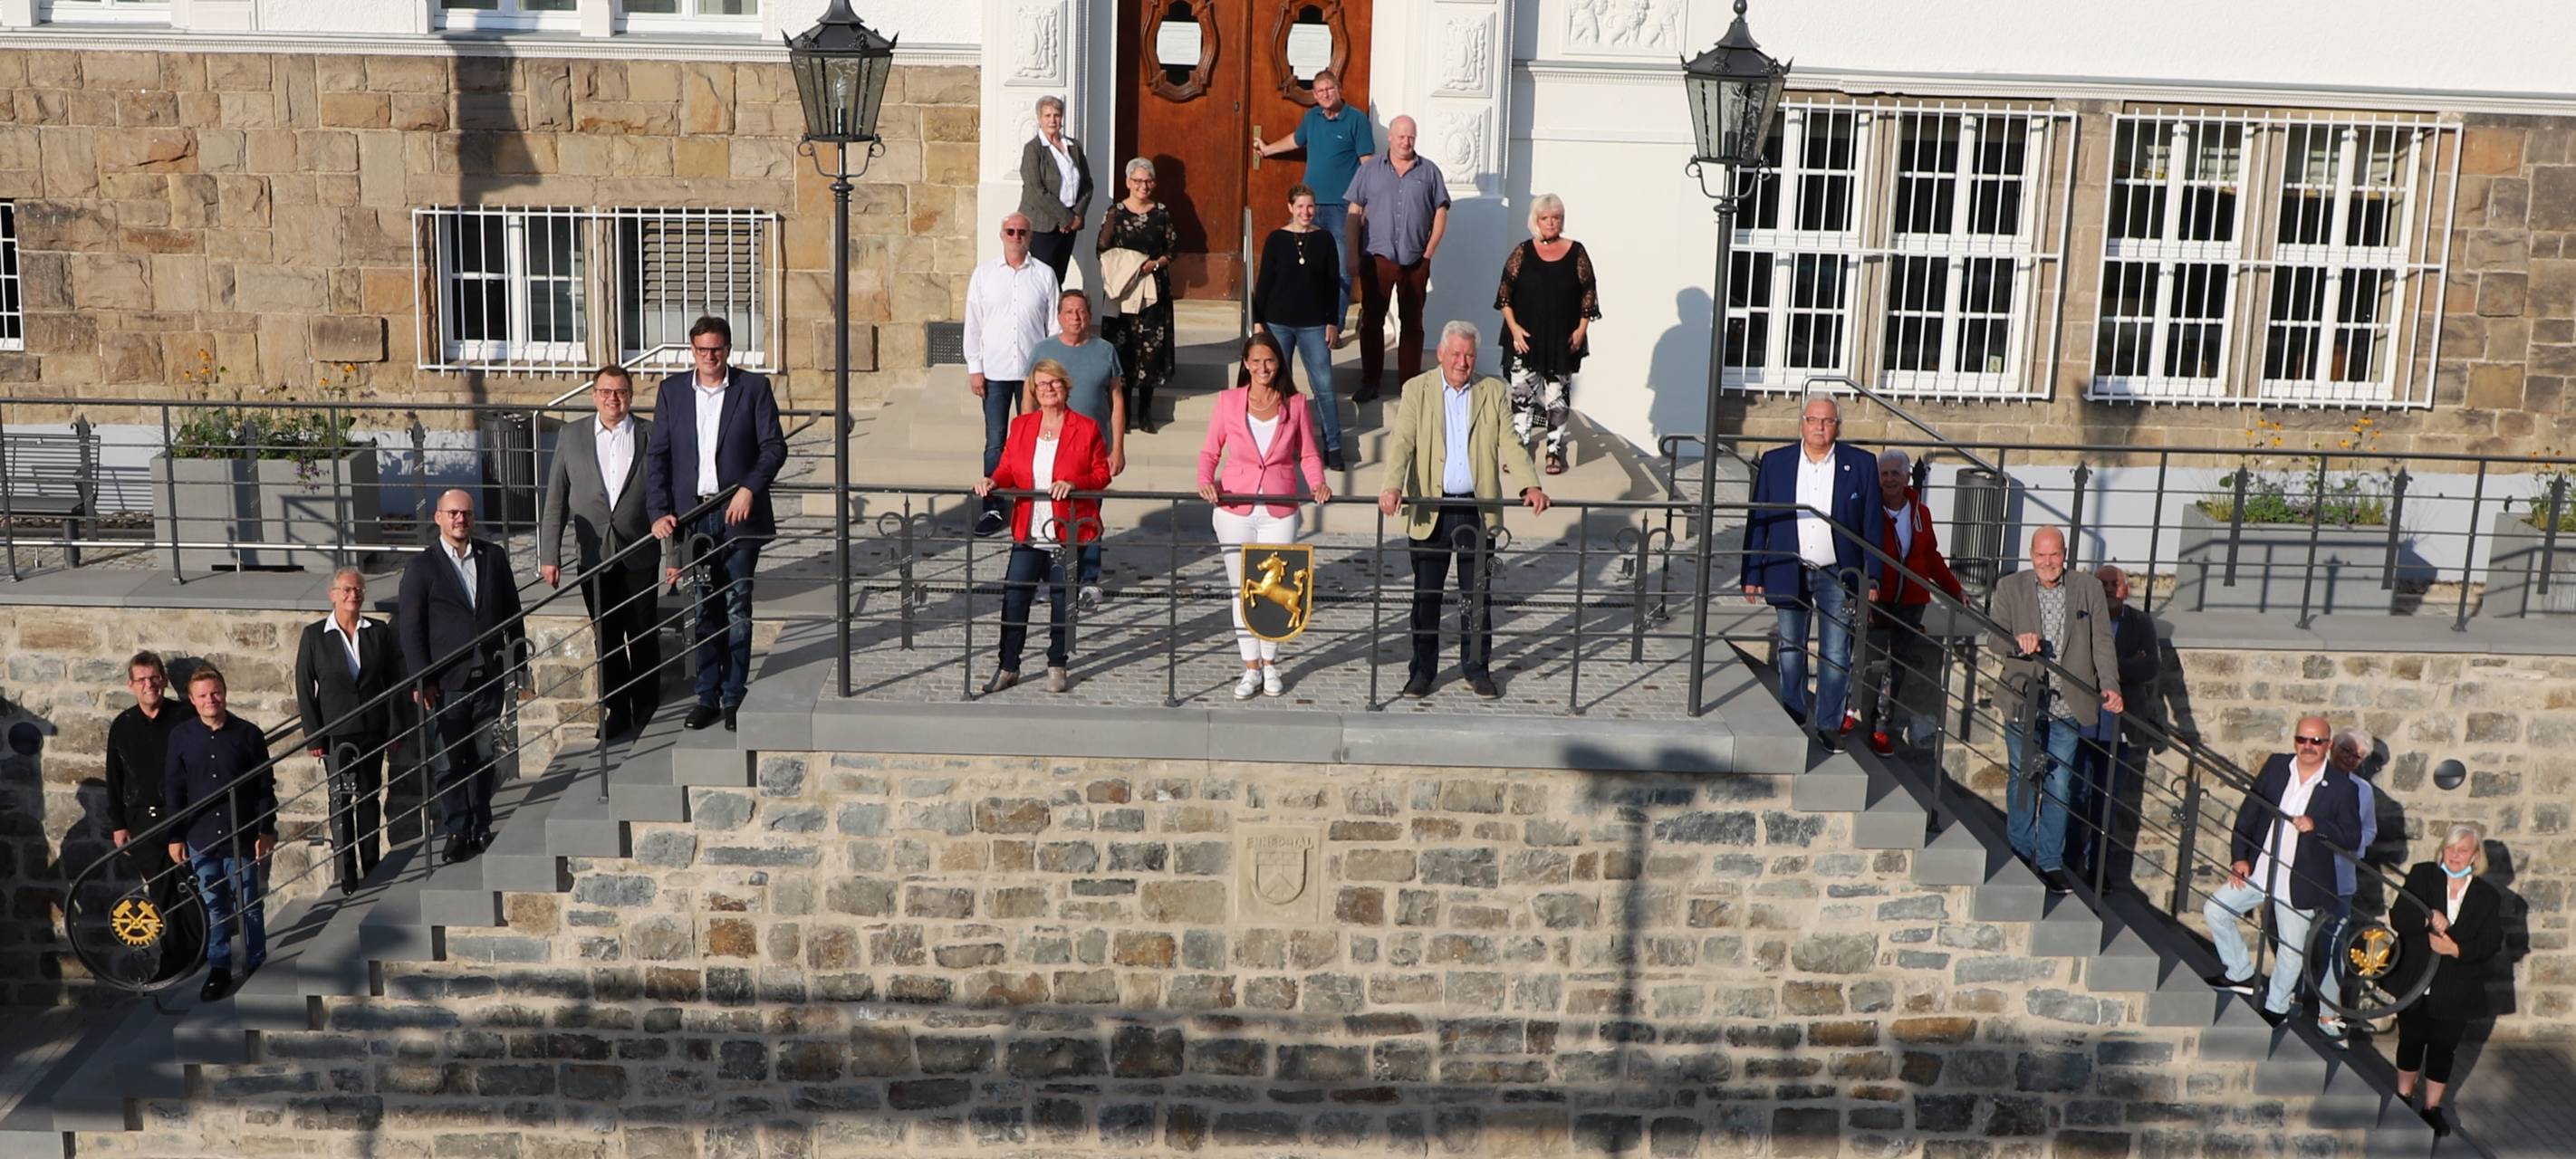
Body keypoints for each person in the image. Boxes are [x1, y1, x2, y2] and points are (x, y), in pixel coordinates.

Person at [1378, 321, 1549, 700]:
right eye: (1455, 354)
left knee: (1476, 596)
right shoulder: (1416, 390)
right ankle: (1422, 671)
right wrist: (1391, 485)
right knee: (1426, 596)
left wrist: (1530, 484)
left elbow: (1510, 441)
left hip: (1476, 508)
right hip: (1429, 508)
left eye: (1469, 355)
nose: (1462, 362)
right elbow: (1402, 443)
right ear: (1440, 354)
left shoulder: (1492, 391)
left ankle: (1477, 668)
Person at [644, 315, 788, 732]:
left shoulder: (753, 388)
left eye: (717, 349)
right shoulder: (672, 392)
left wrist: (749, 488)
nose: (710, 356)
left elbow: (773, 447)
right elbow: (659, 457)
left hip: (739, 515)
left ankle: (733, 696)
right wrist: (659, 512)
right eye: (703, 349)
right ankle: (706, 695)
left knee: (737, 606)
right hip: (693, 519)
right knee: (703, 607)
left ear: (728, 350)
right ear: (693, 351)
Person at [2200, 715, 2365, 1024]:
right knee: (2216, 910)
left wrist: (2318, 826)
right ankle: (2240, 972)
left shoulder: (2342, 787)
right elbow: (2250, 811)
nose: (2308, 747)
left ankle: (2276, 1008)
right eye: (2302, 739)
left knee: (2290, 950)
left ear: (2328, 745)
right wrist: (2240, 856)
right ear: (2295, 741)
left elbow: (2352, 837)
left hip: (2300, 879)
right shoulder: (2277, 766)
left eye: (2316, 741)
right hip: (2261, 868)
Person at [540, 366, 673, 741]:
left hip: (639, 550)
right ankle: (616, 708)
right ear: (594, 395)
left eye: (621, 392)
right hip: (594, 555)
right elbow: (555, 501)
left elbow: (666, 497)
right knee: (608, 635)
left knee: (643, 631)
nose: (613, 398)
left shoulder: (650, 434)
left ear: (631, 395)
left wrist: (674, 555)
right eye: (605, 392)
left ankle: (646, 706)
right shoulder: (572, 436)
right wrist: (549, 554)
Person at [1743, 395, 1881, 752]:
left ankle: (1829, 724)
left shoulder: (1861, 464)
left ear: (1838, 426)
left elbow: (1872, 526)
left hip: (1839, 572)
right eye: (1813, 419)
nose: (1820, 427)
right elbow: (1759, 520)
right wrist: (1752, 571)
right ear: (1802, 423)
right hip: (1788, 567)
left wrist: (1874, 577)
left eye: (1828, 421)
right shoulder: (1776, 462)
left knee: (1836, 652)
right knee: (1791, 647)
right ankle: (1792, 711)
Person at [1989, 527, 2123, 892]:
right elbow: (1993, 637)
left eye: (2055, 555)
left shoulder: (2088, 588)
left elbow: (2101, 642)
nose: (2048, 563)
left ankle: (2049, 861)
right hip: (2023, 699)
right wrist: (2018, 642)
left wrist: (2110, 684)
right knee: (2023, 776)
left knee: (2060, 784)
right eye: (2041, 556)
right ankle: (2020, 851)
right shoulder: (2010, 587)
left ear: (2065, 554)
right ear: (2030, 555)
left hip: (2068, 703)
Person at [1197, 332, 1331, 699]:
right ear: (1245, 364)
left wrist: (1318, 483)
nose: (1262, 368)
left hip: (1279, 507)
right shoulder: (1228, 401)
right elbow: (1211, 450)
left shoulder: (1297, 403)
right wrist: (1205, 481)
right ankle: (1250, 668)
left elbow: (1308, 454)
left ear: (1279, 363)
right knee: (1240, 589)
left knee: (1276, 593)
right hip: (1234, 507)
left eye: (1269, 361)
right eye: (1255, 362)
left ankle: (1271, 665)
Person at [399, 489, 526, 867]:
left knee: (485, 756)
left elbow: (512, 614)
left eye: (466, 514)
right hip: (446, 682)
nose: (460, 519)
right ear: (438, 517)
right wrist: (423, 680)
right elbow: (411, 628)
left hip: (487, 675)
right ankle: (457, 830)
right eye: (453, 513)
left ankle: (481, 824)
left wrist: (519, 666)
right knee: (450, 762)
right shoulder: (422, 567)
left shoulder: (493, 557)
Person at [973, 359, 1112, 695]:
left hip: (1066, 528)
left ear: (1066, 387)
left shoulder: (1086, 427)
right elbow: (1008, 466)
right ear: (1033, 391)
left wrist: (1073, 482)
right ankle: (1008, 666)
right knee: (1015, 598)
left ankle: (1057, 663)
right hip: (1029, 528)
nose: (1049, 390)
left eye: (1055, 383)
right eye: (1042, 385)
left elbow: (1101, 474)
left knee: (1062, 601)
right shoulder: (1022, 426)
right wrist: (992, 480)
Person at [161, 666, 274, 1002]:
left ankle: (256, 963)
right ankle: (220, 968)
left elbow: (265, 787)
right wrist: (175, 835)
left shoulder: (249, 734)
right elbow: (174, 789)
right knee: (215, 907)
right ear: (193, 701)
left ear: (224, 693)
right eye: (203, 695)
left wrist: (266, 830)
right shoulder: (181, 737)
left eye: (216, 692)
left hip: (242, 834)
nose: (211, 700)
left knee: (250, 904)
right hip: (201, 835)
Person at [293, 568, 402, 896]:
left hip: (372, 728)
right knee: (340, 798)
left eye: (358, 590)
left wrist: (396, 729)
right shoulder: (315, 636)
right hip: (336, 733)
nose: (353, 595)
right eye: (346, 590)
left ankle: (371, 862)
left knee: (369, 795)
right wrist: (314, 736)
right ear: (333, 594)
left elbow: (393, 683)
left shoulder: (378, 632)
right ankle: (347, 870)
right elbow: (304, 686)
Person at [2390, 824, 2504, 1137]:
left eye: (2463, 850)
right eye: (2451, 849)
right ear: (2443, 850)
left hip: (2456, 986)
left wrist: (2456, 949)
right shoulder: (2422, 875)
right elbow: (2398, 917)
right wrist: (2427, 917)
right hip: (2416, 978)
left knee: (2443, 1049)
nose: (2455, 855)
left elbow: (2491, 942)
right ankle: (2403, 1098)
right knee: (2410, 1039)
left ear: (2475, 856)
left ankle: (2432, 1108)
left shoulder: (2486, 896)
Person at [103, 650, 204, 980]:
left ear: (163, 680)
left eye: (154, 678)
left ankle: (199, 952)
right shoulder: (123, 725)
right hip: (142, 821)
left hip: (180, 816)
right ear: (131, 685)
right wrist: (118, 825)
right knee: (160, 891)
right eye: (142, 680)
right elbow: (115, 777)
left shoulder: (185, 717)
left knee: (190, 884)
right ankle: (173, 958)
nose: (150, 685)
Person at [1854, 449, 1962, 757]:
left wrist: (1954, 590)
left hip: (1911, 600)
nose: (1890, 480)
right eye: (1884, 474)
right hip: (1876, 596)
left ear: (1906, 477)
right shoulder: (1868, 509)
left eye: (1895, 474)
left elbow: (1931, 557)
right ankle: (1848, 714)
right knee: (1861, 658)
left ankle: (1880, 728)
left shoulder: (1920, 512)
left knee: (1896, 667)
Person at [1026, 290, 1127, 610]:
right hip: (1049, 446)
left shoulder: (1105, 351)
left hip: (1092, 449)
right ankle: (1048, 578)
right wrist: (1025, 438)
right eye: (1069, 311)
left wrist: (1118, 447)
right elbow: (1029, 395)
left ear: (1089, 314)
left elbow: (1117, 401)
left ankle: (1088, 579)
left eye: (1081, 311)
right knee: (1047, 514)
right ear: (1059, 316)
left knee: (1089, 515)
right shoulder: (1044, 350)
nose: (1075, 317)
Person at [965, 214, 1062, 536]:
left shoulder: (1044, 275)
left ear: (1030, 236)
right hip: (993, 372)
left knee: (1033, 441)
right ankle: (993, 505)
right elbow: (973, 324)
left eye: (1022, 232)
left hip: (1032, 376)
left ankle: (1029, 503)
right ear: (1002, 234)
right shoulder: (984, 275)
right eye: (1010, 231)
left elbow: (1054, 328)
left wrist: (1049, 374)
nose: (1016, 236)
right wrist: (974, 368)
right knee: (996, 442)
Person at [1252, 68, 1372, 326]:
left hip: (1343, 208)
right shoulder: (1312, 118)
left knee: (1340, 268)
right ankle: (1301, 319)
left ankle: (1334, 326)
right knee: (1299, 263)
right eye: (1320, 91)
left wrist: (1363, 204)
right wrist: (1268, 149)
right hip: (1309, 207)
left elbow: (1367, 164)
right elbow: (1297, 140)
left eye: (1330, 88)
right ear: (1315, 96)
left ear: (1339, 88)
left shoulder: (1356, 120)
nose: (1325, 94)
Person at [1493, 193, 1600, 476]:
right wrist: (1514, 329)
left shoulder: (1577, 251)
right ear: (1535, 221)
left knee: (1557, 397)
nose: (1551, 222)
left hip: (1562, 339)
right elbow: (1504, 294)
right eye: (1545, 218)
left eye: (1556, 217)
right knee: (1521, 397)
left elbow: (1589, 292)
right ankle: (1519, 450)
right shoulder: (1522, 251)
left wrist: (1581, 330)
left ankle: (1554, 450)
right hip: (1525, 339)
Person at [1343, 116, 1447, 405]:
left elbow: (1441, 211)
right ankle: (1370, 381)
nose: (1406, 141)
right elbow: (1354, 209)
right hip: (1377, 259)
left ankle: (1409, 386)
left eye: (1411, 137)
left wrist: (1429, 253)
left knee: (1412, 323)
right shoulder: (1370, 170)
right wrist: (1352, 254)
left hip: (1415, 259)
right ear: (1390, 137)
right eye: (1401, 136)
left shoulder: (1429, 172)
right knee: (1372, 321)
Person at [2068, 562, 2160, 885]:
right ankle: (2067, 862)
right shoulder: (2080, 617)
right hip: (2079, 721)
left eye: (2114, 584)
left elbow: (2150, 667)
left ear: (2125, 589)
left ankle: (2097, 870)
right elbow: (2072, 662)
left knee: (2106, 801)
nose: (2109, 590)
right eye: (2103, 584)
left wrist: (2105, 668)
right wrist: (2122, 666)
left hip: (2117, 728)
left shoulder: (2140, 623)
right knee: (2072, 793)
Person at [1251, 184, 1348, 471]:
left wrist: (1333, 321)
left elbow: (1333, 284)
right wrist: (1258, 321)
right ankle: (1281, 445)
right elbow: (1265, 282)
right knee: (1279, 384)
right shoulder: (1277, 239)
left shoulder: (1325, 239)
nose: (1306, 212)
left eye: (1310, 206)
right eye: (1300, 206)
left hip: (1315, 324)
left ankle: (1333, 446)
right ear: (1290, 207)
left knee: (1324, 385)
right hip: (1278, 322)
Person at [2312, 725, 2383, 1044]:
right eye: (2347, 751)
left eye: (2358, 756)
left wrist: (2352, 845)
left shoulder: (2363, 791)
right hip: (2303, 871)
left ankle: (2328, 1014)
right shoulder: (2312, 776)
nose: (2351, 759)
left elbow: (2368, 830)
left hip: (2341, 877)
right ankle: (2292, 1002)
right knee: (2294, 940)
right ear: (2332, 748)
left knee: (2334, 945)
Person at [1097, 158, 1177, 433]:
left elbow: (1171, 249)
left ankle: (1145, 413)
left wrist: (1153, 264)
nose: (1143, 186)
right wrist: (1129, 266)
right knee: (1124, 348)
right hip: (1124, 291)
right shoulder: (1115, 213)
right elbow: (1102, 249)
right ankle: (1124, 412)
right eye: (1138, 180)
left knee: (1151, 350)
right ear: (1128, 182)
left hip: (1153, 290)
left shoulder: (1162, 213)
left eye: (1148, 181)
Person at [1017, 95, 1093, 284]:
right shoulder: (1033, 149)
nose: (1052, 120)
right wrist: (1065, 218)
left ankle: (1055, 314)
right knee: (1042, 279)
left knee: (1059, 277)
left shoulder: (1073, 147)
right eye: (1047, 115)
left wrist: (1077, 215)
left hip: (1069, 227)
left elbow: (1087, 184)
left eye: (1057, 115)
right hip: (1042, 226)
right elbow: (1035, 190)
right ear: (1039, 118)